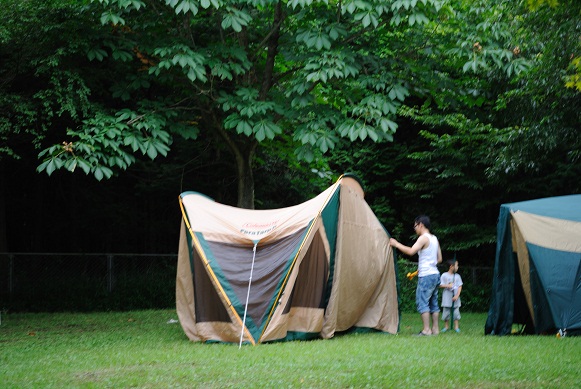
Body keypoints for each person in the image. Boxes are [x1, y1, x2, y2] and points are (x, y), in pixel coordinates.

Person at [390, 215, 442, 336]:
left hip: (426, 275)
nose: (414, 228)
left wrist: (396, 244)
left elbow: (411, 251)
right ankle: (435, 329)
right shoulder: (434, 238)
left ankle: (426, 330)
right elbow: (439, 258)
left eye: (415, 225)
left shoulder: (423, 238)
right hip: (435, 274)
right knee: (433, 303)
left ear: (421, 225)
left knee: (422, 302)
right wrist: (429, 262)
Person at [439, 259, 463, 333]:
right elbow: (440, 285)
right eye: (456, 265)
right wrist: (448, 285)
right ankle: (446, 326)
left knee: (456, 312)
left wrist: (457, 295)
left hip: (455, 297)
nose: (457, 267)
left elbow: (460, 286)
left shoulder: (457, 276)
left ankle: (456, 327)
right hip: (447, 297)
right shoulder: (444, 275)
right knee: (446, 312)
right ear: (451, 266)